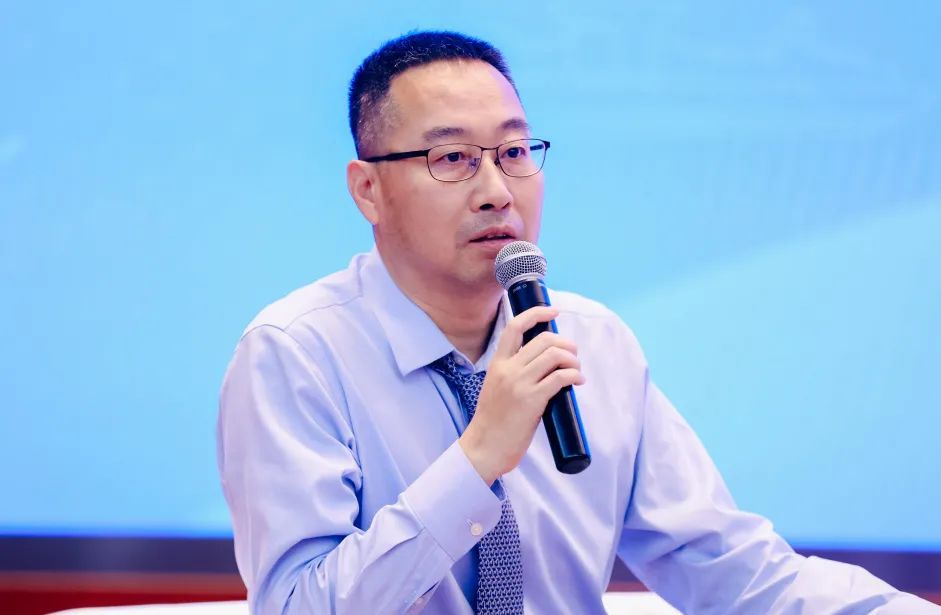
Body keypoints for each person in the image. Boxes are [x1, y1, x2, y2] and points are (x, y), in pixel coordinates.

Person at [217, 31, 938, 614]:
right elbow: (297, 607)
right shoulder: (295, 354)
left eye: (513, 152)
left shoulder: (593, 342)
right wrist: (476, 460)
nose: (497, 191)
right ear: (368, 189)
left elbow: (727, 568)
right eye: (452, 158)